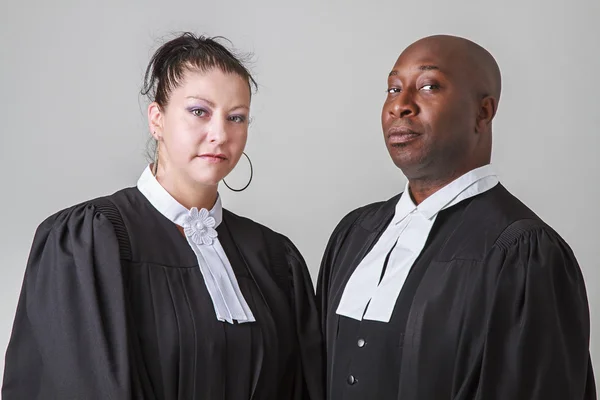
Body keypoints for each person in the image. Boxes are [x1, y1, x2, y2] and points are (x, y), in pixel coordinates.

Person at [3, 32, 323, 400]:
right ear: (157, 119)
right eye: (199, 111)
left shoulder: (275, 258)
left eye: (236, 118)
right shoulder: (87, 242)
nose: (220, 134)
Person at [317, 34, 596, 400]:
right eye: (393, 88)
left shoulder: (523, 254)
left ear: (483, 112)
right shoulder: (355, 234)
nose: (400, 106)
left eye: (429, 86)